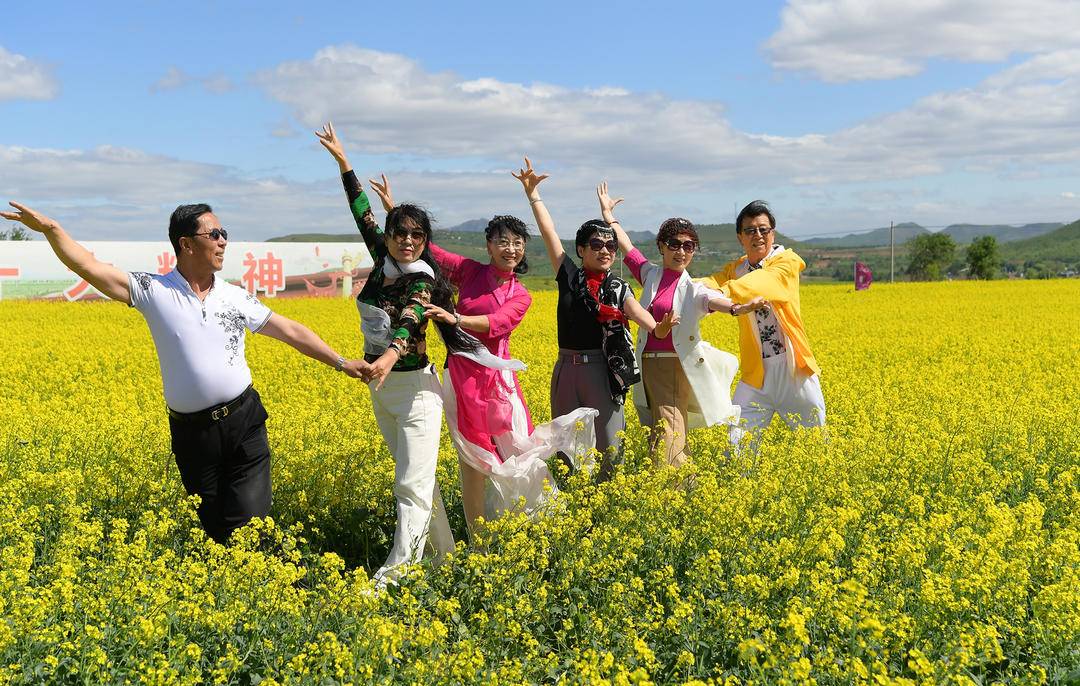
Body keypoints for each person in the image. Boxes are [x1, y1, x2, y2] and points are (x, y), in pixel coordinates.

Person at [0, 200, 366, 544]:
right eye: (215, 235)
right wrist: (51, 229)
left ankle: (267, 585)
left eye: (225, 235)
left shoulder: (235, 296)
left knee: (249, 525)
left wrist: (340, 361)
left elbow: (289, 330)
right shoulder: (154, 291)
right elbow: (89, 268)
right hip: (194, 434)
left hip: (245, 423)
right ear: (186, 244)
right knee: (212, 529)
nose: (223, 242)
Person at [363, 174, 597, 536]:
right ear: (488, 245)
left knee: (517, 456)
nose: (510, 249)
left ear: (523, 251)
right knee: (470, 462)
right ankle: (478, 542)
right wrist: (394, 211)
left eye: (517, 243)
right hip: (462, 376)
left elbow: (497, 323)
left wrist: (454, 318)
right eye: (502, 241)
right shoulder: (469, 271)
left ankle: (536, 528)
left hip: (499, 384)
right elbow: (426, 250)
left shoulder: (522, 295)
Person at [318, 122, 481, 583]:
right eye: (399, 233)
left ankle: (395, 574)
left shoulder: (422, 279)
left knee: (410, 485)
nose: (407, 241)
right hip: (382, 391)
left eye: (416, 235)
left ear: (425, 241)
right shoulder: (381, 261)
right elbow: (361, 213)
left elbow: (411, 320)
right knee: (418, 483)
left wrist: (387, 359)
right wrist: (344, 163)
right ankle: (446, 562)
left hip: (415, 391)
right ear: (388, 237)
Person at [515, 158, 676, 480]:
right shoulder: (569, 275)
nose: (605, 250)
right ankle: (568, 506)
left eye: (611, 246)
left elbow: (636, 311)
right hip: (566, 370)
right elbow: (549, 234)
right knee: (562, 449)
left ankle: (603, 507)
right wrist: (533, 195)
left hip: (603, 371)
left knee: (610, 448)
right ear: (581, 249)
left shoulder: (617, 287)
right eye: (597, 244)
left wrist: (657, 328)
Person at [596, 183, 763, 468]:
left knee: (669, 429)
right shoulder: (650, 274)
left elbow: (713, 300)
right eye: (674, 244)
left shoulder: (694, 289)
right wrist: (608, 215)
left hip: (675, 366)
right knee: (659, 428)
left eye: (688, 246)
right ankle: (676, 486)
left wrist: (738, 308)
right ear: (661, 246)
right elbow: (627, 247)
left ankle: (674, 487)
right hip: (648, 363)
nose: (681, 251)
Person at [699, 200, 826, 448]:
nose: (757, 235)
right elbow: (710, 281)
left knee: (815, 446)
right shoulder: (735, 270)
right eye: (750, 230)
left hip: (794, 372)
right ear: (740, 238)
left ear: (772, 233)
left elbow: (760, 282)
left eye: (763, 229)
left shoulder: (786, 262)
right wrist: (685, 288)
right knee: (737, 445)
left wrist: (723, 293)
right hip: (756, 374)